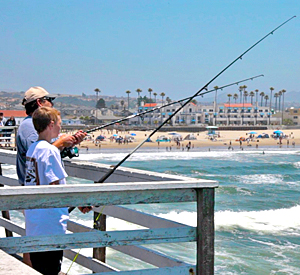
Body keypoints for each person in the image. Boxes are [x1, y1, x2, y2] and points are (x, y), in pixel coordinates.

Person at [25, 107, 91, 275]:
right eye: (60, 124)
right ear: (52, 124)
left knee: (39, 267)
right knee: (51, 269)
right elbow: (57, 186)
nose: (61, 128)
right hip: (50, 225)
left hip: (35, 222)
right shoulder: (50, 151)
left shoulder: (33, 149)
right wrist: (79, 202)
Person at [16, 86, 86, 186]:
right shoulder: (28, 126)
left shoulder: (31, 125)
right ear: (39, 102)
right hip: (38, 191)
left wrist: (69, 142)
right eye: (49, 100)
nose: (52, 104)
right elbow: (40, 156)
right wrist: (61, 142)